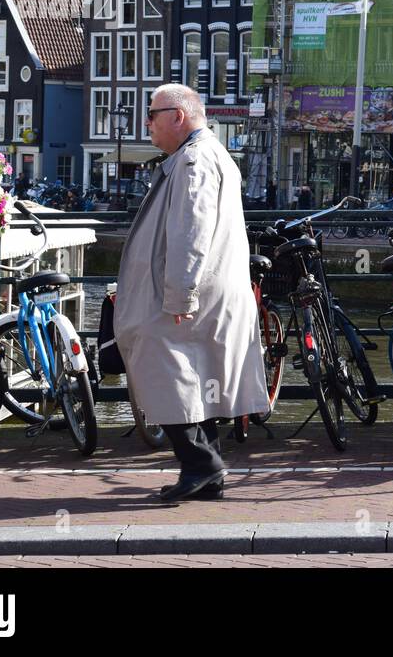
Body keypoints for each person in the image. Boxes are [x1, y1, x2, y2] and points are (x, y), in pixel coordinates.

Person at [113, 85, 269, 502]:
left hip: (189, 294)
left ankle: (202, 463)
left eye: (152, 114)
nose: (147, 123)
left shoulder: (194, 161)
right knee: (197, 378)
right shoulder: (206, 155)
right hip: (210, 288)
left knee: (162, 367)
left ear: (177, 116)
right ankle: (206, 472)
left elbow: (190, 232)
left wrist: (181, 294)